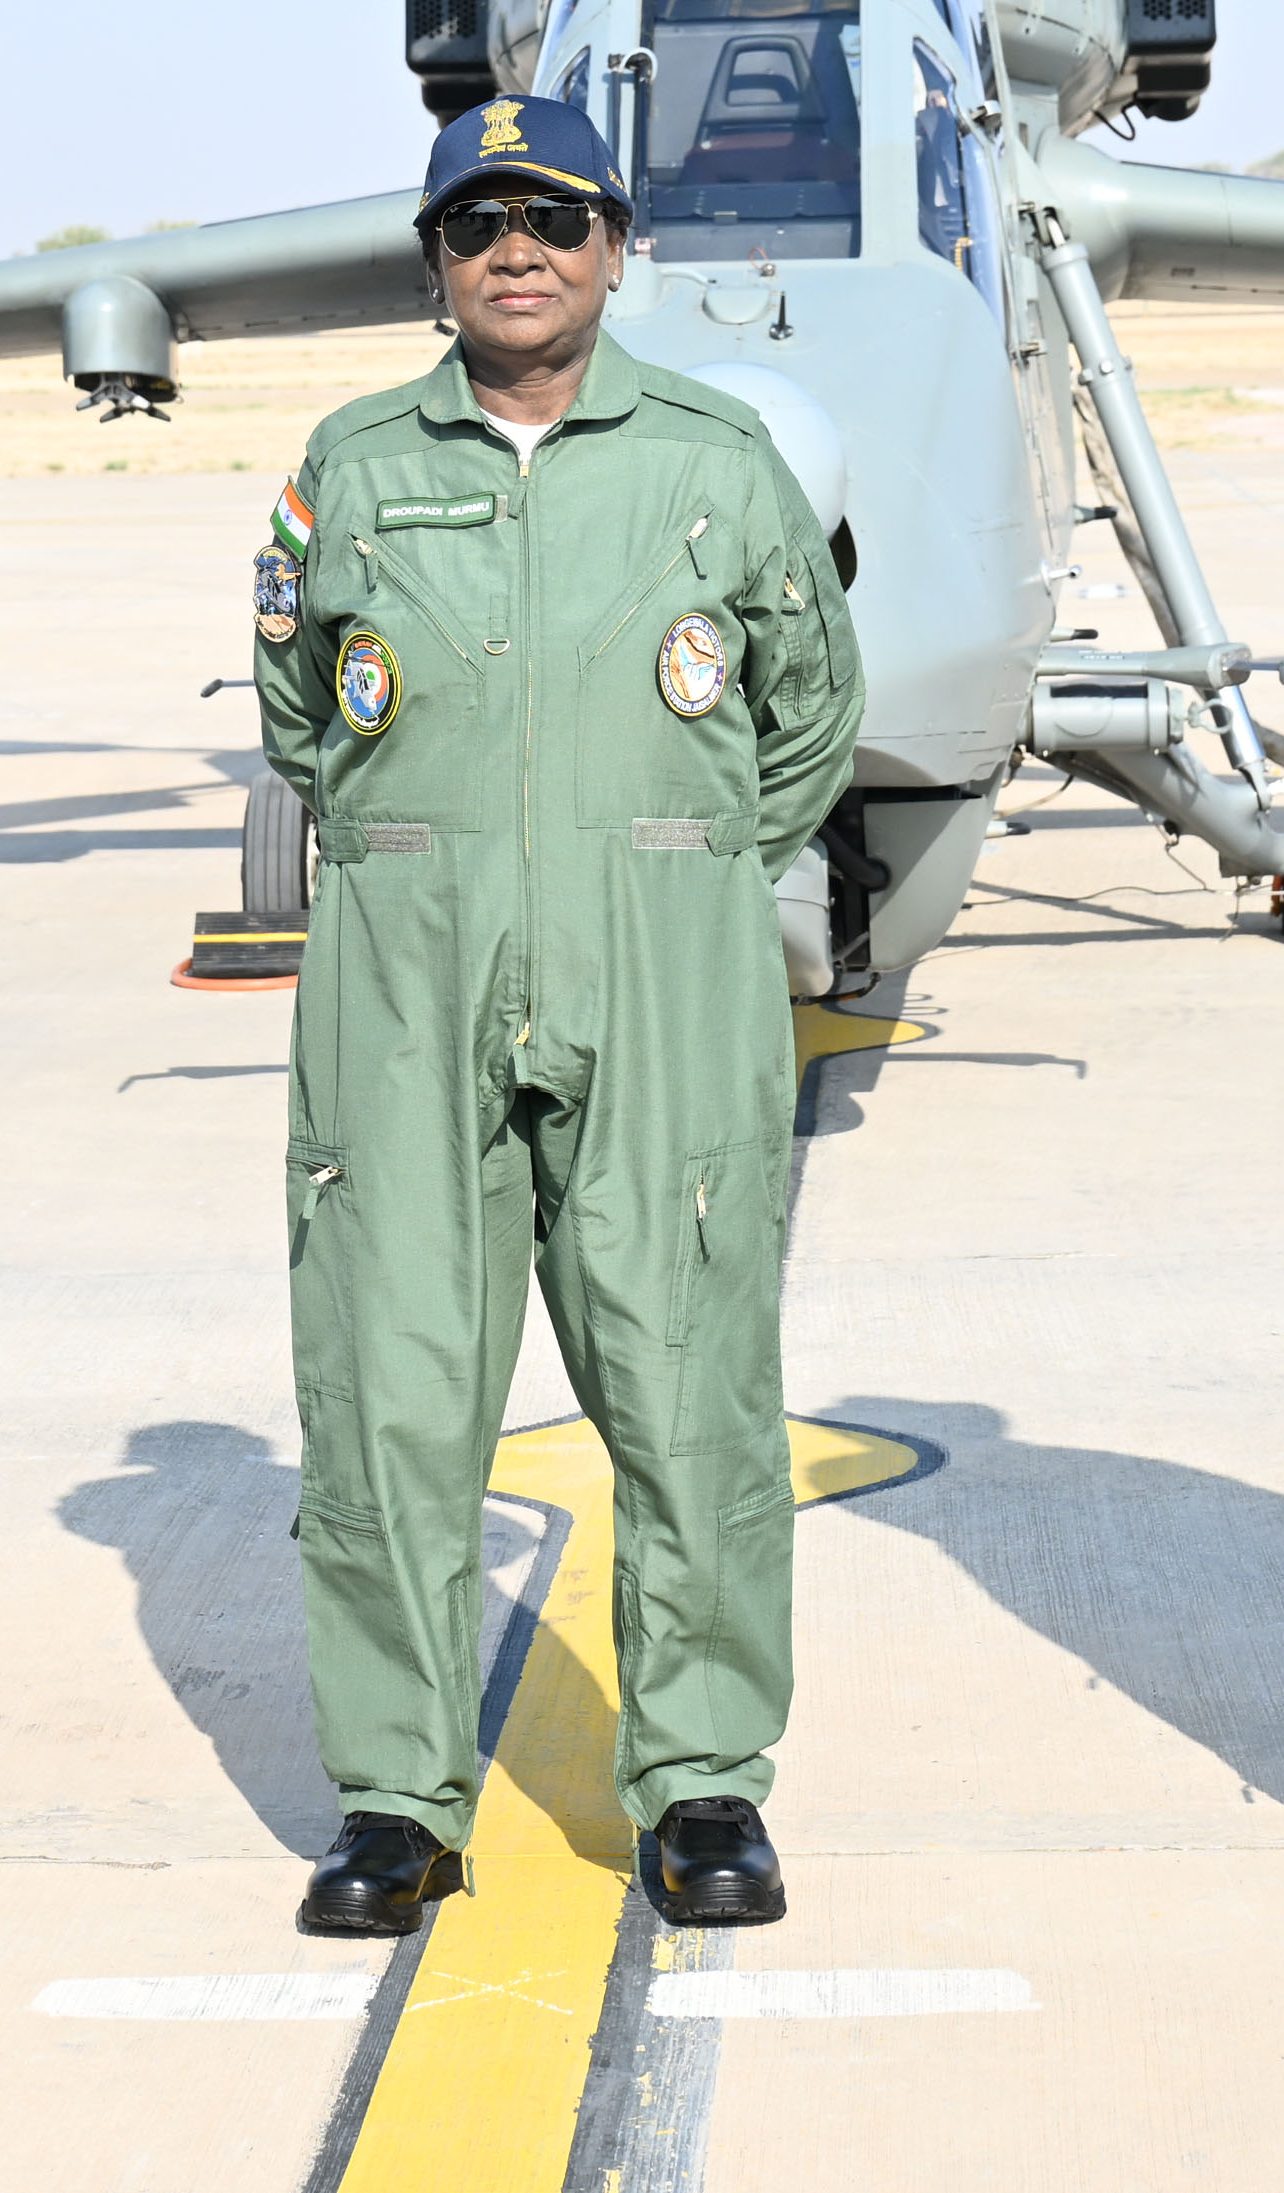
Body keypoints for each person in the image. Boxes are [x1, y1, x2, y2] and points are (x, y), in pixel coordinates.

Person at [256, 95, 864, 1938]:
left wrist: (658, 866)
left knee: (688, 1387)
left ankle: (699, 1786)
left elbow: (806, 715)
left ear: (620, 246)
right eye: (477, 220)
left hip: (657, 970)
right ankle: (395, 1793)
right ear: (433, 259)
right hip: (407, 973)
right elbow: (306, 714)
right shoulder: (349, 465)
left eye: (556, 215)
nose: (517, 247)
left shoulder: (718, 459)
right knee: (391, 1393)